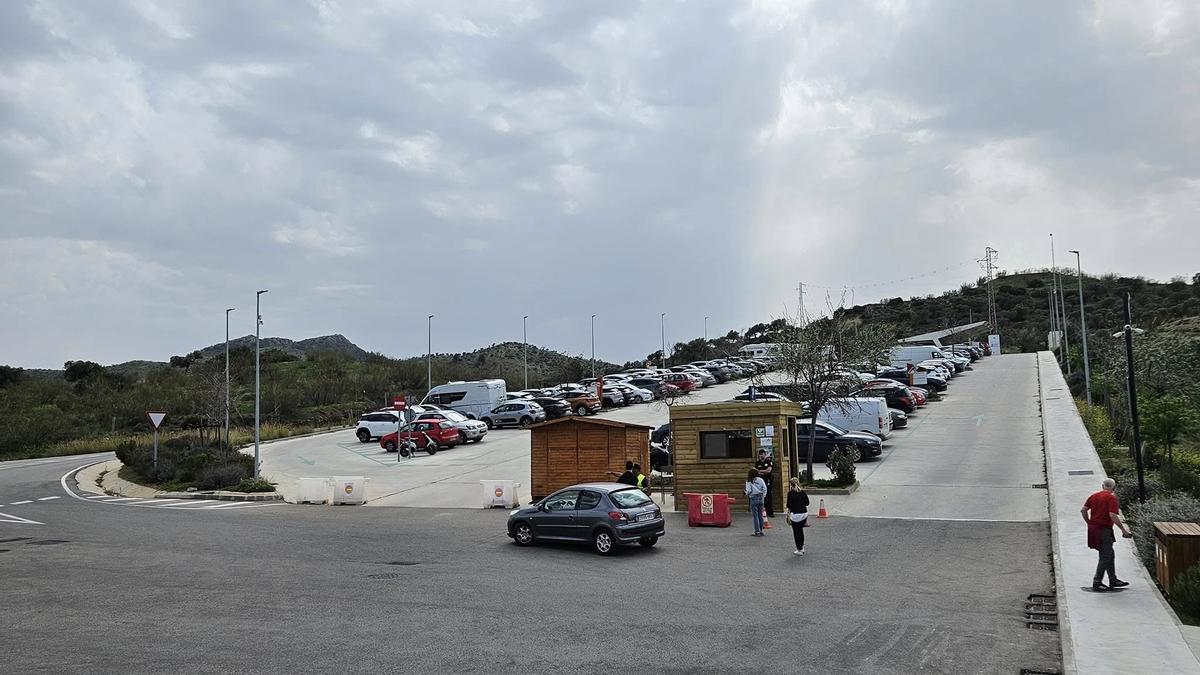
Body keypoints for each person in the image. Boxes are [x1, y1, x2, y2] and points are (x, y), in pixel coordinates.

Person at [1081, 478, 1133, 592]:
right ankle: (1097, 582)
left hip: (1094, 529)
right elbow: (1112, 515)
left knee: (1110, 553)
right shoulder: (1111, 498)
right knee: (1105, 556)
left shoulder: (1094, 496)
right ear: (1114, 488)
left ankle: (1113, 579)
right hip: (1104, 530)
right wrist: (1123, 530)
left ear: (1102, 485)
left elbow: (1083, 510)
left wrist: (1089, 523)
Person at [786, 477, 810, 556]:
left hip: (796, 515)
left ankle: (799, 549)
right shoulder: (803, 492)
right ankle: (802, 546)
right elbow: (807, 503)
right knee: (800, 530)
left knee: (796, 532)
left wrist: (788, 514)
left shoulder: (790, 493)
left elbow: (789, 505)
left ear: (791, 484)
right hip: (804, 514)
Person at [745, 468, 767, 536]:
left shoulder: (749, 481)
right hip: (760, 497)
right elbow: (765, 488)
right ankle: (761, 530)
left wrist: (745, 493)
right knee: (760, 515)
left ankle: (756, 531)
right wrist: (763, 496)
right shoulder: (760, 480)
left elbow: (748, 491)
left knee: (755, 516)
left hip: (753, 498)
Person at [755, 449, 775, 517]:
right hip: (760, 481)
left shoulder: (768, 461)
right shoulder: (757, 463)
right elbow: (756, 471)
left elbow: (769, 470)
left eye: (762, 454)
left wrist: (760, 471)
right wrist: (763, 471)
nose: (761, 456)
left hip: (768, 480)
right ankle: (763, 512)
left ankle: (770, 512)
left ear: (765, 454)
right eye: (760, 454)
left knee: (768, 496)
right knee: (761, 496)